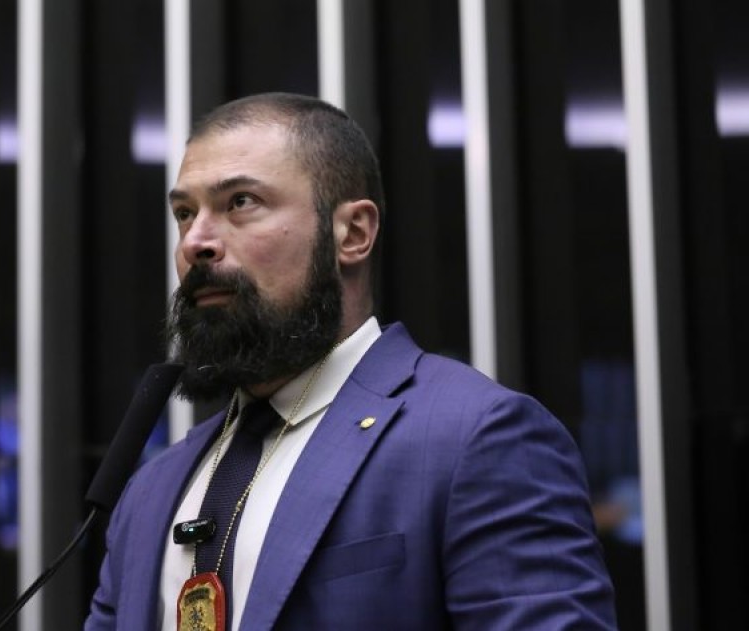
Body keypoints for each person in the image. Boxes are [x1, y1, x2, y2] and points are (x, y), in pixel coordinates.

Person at [86, 92, 616, 630]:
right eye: (184, 213)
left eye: (241, 202)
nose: (195, 241)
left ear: (353, 234)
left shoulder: (477, 438)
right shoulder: (153, 488)